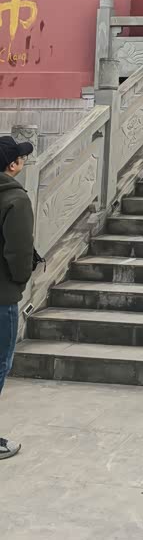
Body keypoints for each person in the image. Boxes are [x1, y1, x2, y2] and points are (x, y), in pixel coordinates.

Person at [0, 135, 36, 461]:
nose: (23, 162)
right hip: (2, 298)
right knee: (0, 363)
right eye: (22, 158)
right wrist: (20, 281)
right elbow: (19, 252)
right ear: (12, 165)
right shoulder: (15, 199)